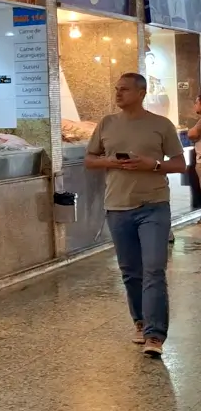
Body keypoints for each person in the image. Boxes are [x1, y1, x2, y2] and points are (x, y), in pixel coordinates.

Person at [85, 72, 185, 358]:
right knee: (131, 272)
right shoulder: (106, 123)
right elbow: (90, 160)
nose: (118, 94)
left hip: (153, 205)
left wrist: (152, 165)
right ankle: (140, 322)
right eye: (116, 89)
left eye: (125, 90)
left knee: (154, 268)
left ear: (141, 93)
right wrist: (112, 163)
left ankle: (155, 335)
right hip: (117, 207)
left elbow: (179, 164)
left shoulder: (160, 125)